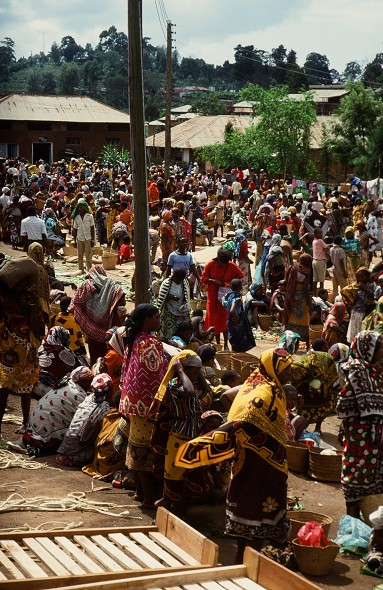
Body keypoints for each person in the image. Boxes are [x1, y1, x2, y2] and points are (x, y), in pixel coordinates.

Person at [175, 348, 293, 562]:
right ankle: (249, 558)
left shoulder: (256, 383)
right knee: (257, 505)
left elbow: (229, 399)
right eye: (286, 369)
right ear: (274, 368)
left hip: (249, 458)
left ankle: (243, 556)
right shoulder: (264, 392)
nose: (289, 374)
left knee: (247, 499)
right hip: (261, 462)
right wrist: (229, 431)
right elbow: (246, 419)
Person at [119, 304, 168, 508]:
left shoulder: (135, 339)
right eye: (156, 317)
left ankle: (140, 492)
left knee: (135, 445)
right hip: (147, 405)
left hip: (132, 402)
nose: (159, 321)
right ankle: (148, 498)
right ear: (148, 320)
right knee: (145, 451)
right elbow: (157, 373)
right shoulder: (150, 343)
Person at [149, 351, 208, 515]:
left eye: (198, 372)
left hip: (193, 434)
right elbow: (188, 391)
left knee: (189, 473)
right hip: (179, 436)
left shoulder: (193, 383)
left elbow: (206, 389)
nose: (196, 376)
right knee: (174, 474)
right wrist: (180, 370)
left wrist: (197, 370)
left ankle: (178, 507)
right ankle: (170, 505)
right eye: (193, 372)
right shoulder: (175, 385)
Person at [337, 331, 383, 518]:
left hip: (376, 441)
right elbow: (343, 403)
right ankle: (352, 527)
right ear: (368, 349)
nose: (382, 352)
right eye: (380, 348)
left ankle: (370, 529)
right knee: (354, 484)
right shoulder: (355, 370)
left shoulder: (378, 371)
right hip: (360, 439)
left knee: (375, 487)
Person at [0, 258, 46, 436]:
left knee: (25, 389)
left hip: (26, 351)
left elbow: (39, 328)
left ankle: (26, 421)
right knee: (4, 388)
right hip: (8, 350)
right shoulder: (5, 298)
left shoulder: (32, 301)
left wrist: (33, 311)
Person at [21, 367, 93, 456]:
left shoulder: (66, 384)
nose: (90, 385)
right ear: (82, 381)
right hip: (44, 438)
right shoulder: (78, 394)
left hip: (32, 429)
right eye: (88, 382)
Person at [69, 265, 125, 365]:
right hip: (112, 327)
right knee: (113, 354)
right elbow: (123, 302)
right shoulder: (112, 286)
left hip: (92, 331)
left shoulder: (86, 286)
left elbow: (74, 306)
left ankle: (97, 374)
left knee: (95, 355)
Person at [56, 373, 112, 467]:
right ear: (109, 391)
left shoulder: (88, 399)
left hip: (65, 448)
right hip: (78, 453)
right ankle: (74, 459)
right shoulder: (104, 408)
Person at [200, 249, 244, 350]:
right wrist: (214, 281)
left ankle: (225, 344)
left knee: (225, 320)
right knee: (214, 321)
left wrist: (229, 283)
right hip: (213, 297)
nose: (224, 265)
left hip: (226, 297)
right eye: (222, 263)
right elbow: (203, 278)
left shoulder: (231, 265)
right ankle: (218, 343)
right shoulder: (211, 264)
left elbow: (240, 275)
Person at [291, 349, 339, 432]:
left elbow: (328, 377)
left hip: (317, 382)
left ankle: (311, 427)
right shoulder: (301, 367)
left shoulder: (316, 361)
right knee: (306, 405)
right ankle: (304, 427)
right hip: (309, 382)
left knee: (319, 405)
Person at [34, 326, 81, 398]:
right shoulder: (64, 351)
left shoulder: (41, 348)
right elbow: (78, 368)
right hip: (53, 391)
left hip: (34, 385)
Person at [283, 254, 312, 350]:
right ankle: (307, 346)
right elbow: (305, 288)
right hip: (302, 298)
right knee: (304, 321)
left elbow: (286, 281)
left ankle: (291, 344)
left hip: (292, 297)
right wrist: (309, 302)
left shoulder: (293, 268)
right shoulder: (307, 271)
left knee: (291, 320)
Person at [222, 278, 255, 352]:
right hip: (237, 320)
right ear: (240, 288)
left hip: (230, 319)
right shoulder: (236, 298)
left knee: (233, 337)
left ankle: (234, 353)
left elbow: (225, 305)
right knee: (239, 338)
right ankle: (238, 354)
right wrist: (236, 317)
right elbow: (232, 310)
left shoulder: (227, 296)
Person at [157, 267, 190, 339]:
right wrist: (171, 297)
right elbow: (162, 297)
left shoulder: (184, 283)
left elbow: (186, 296)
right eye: (178, 280)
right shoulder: (166, 284)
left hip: (180, 311)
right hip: (169, 312)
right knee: (169, 331)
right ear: (174, 277)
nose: (179, 282)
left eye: (181, 280)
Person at [345, 267, 375, 345]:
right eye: (358, 277)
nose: (360, 279)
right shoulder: (356, 285)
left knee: (362, 330)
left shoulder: (371, 285)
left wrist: (364, 288)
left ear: (367, 276)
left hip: (366, 311)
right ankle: (353, 344)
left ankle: (361, 344)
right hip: (356, 311)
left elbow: (374, 295)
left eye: (362, 277)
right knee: (354, 329)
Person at [72, 198, 96, 273]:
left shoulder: (90, 217)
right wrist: (74, 240)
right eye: (79, 207)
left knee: (88, 256)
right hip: (79, 238)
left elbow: (92, 228)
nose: (80, 209)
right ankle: (81, 269)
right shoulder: (77, 217)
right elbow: (75, 229)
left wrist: (93, 240)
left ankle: (89, 270)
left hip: (88, 238)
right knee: (80, 256)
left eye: (81, 207)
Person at [312, 228, 330, 296]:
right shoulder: (320, 241)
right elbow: (326, 247)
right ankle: (322, 295)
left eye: (321, 233)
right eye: (319, 233)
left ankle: (314, 294)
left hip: (314, 261)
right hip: (320, 262)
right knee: (322, 280)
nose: (321, 234)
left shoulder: (314, 241)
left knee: (315, 280)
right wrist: (330, 245)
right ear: (315, 234)